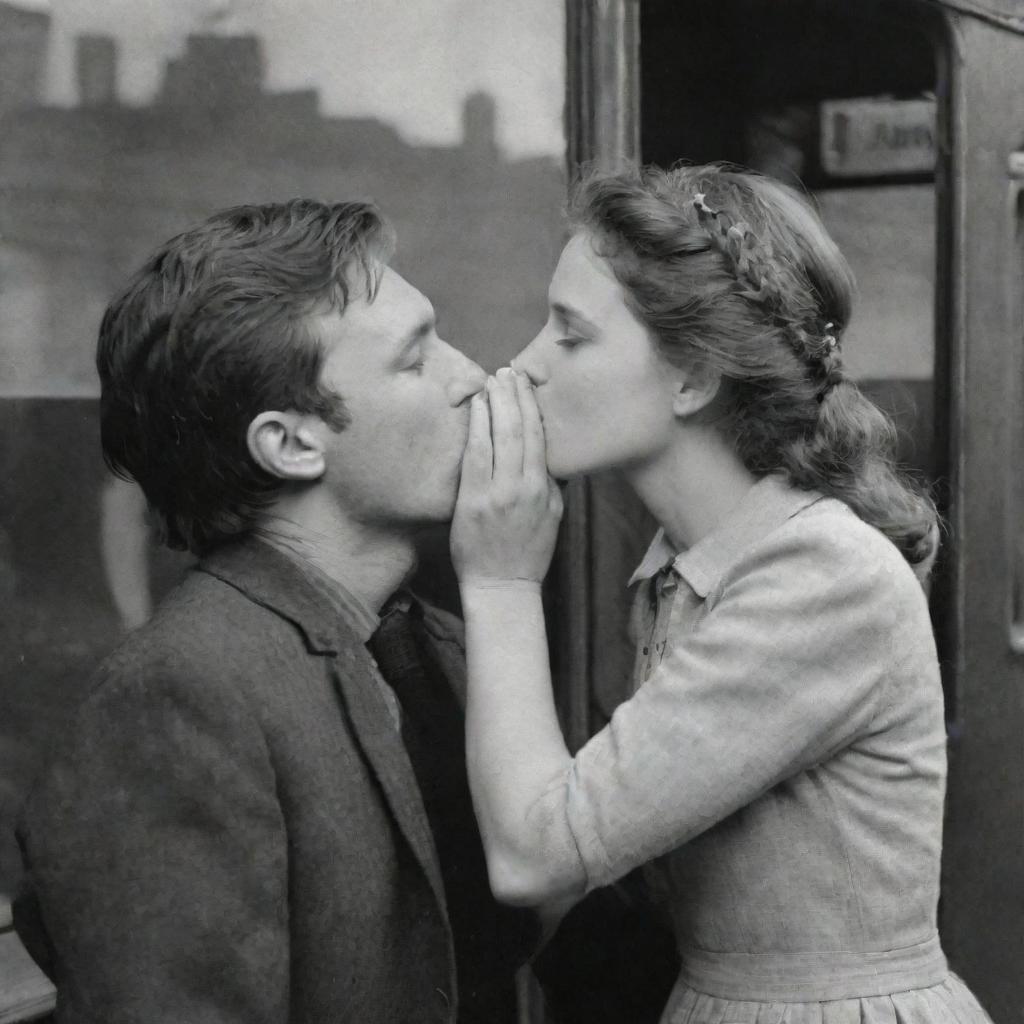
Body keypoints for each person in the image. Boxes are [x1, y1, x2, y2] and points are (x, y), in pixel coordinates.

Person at [450, 164, 995, 1023]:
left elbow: (535, 855)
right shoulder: (689, 568)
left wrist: (499, 577)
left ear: (693, 376)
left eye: (570, 332)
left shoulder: (822, 575)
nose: (524, 365)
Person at [15, 198, 537, 1023]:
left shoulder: (441, 648)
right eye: (414, 359)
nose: (470, 375)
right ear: (290, 443)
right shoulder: (175, 698)